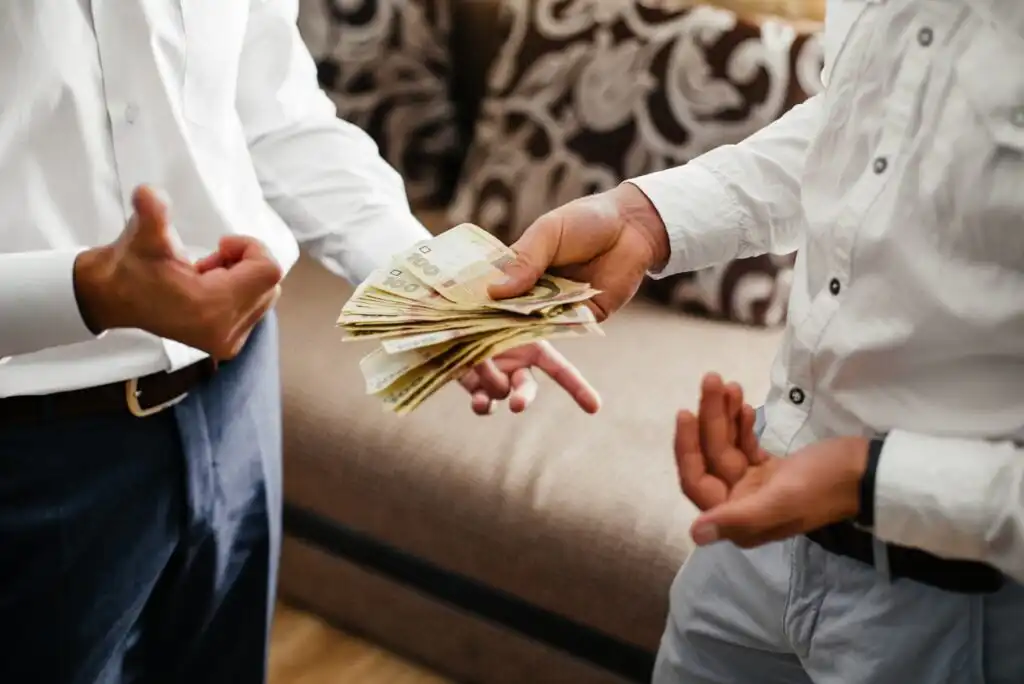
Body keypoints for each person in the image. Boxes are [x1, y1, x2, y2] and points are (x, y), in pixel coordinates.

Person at [0, 3, 600, 683]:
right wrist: (85, 291)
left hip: (239, 399)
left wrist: (425, 285)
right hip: (32, 451)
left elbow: (273, 111)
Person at [491, 0, 1024, 681]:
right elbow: (858, 124)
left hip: (960, 614)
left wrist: (869, 481)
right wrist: (650, 218)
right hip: (757, 532)